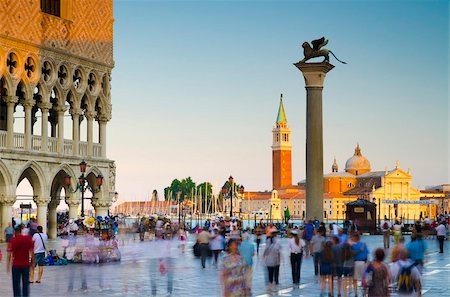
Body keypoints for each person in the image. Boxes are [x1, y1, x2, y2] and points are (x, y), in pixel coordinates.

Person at [7, 225, 34, 297]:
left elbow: (9, 254)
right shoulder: (28, 239)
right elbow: (32, 251)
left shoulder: (12, 240)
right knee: (25, 283)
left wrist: (7, 266)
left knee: (16, 284)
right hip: (25, 265)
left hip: (16, 265)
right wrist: (33, 262)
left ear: (15, 232)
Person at [350, 232, 369, 297]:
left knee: (354, 279)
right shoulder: (364, 244)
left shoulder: (352, 246)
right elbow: (366, 254)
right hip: (363, 263)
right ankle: (364, 293)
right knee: (364, 279)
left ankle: (356, 294)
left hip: (355, 263)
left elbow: (351, 255)